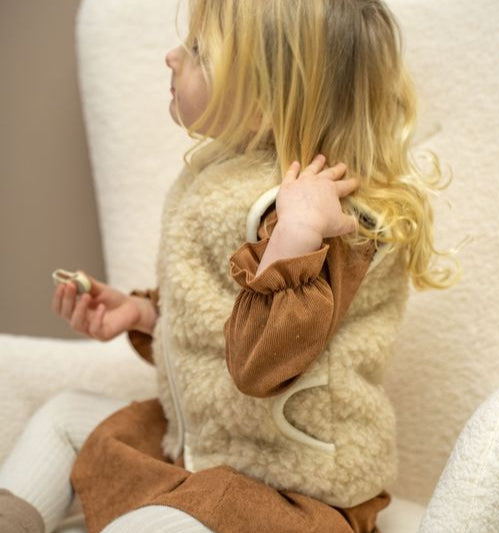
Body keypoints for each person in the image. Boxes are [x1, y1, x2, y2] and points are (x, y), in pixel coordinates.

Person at [0, 1, 458, 532]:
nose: (172, 57)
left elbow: (262, 366)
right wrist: (142, 315)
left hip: (292, 490)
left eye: (198, 50)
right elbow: (220, 314)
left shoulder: (328, 219)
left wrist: (295, 239)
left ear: (262, 100)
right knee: (64, 415)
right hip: (207, 452)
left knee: (153, 523)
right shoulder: (226, 175)